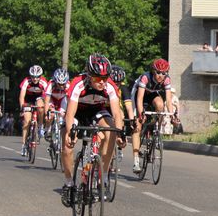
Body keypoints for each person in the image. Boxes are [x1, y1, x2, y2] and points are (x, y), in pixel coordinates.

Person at [61, 54, 124, 205]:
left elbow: (116, 113)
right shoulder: (78, 84)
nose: (102, 82)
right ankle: (69, 184)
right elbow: (70, 114)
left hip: (96, 111)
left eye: (105, 78)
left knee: (111, 132)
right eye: (97, 78)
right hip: (77, 112)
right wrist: (71, 132)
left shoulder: (110, 86)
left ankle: (102, 179)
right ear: (89, 75)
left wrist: (120, 132)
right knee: (67, 146)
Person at [131, 58, 172, 172]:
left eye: (164, 73)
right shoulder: (145, 77)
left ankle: (157, 131)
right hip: (139, 95)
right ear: (153, 71)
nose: (161, 75)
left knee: (160, 105)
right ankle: (135, 161)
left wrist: (173, 115)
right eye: (158, 72)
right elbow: (139, 99)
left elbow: (168, 100)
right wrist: (141, 114)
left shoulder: (167, 80)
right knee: (137, 126)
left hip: (152, 95)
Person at [18, 65, 49, 156]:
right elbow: (21, 97)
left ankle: (39, 126)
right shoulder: (26, 81)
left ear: (40, 76)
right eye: (33, 77)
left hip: (39, 98)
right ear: (30, 76)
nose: (35, 79)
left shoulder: (43, 82)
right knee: (26, 121)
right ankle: (23, 145)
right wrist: (22, 108)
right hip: (28, 100)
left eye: (37, 77)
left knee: (40, 106)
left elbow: (47, 96)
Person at [43, 68, 70, 139]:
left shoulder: (68, 86)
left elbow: (70, 101)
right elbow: (46, 101)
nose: (61, 86)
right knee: (50, 114)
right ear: (55, 81)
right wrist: (46, 114)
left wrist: (68, 113)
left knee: (63, 115)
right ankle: (47, 129)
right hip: (52, 99)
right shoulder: (51, 84)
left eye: (63, 84)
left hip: (62, 100)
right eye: (59, 84)